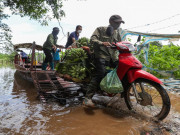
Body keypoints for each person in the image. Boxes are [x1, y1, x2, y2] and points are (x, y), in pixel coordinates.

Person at [83, 15, 125, 107]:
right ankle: (87, 98)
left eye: (120, 23)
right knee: (100, 74)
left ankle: (120, 92)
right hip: (101, 56)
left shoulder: (117, 33)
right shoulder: (100, 29)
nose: (118, 24)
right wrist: (102, 43)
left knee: (123, 69)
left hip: (113, 57)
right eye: (117, 22)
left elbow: (121, 43)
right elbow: (92, 39)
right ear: (111, 21)